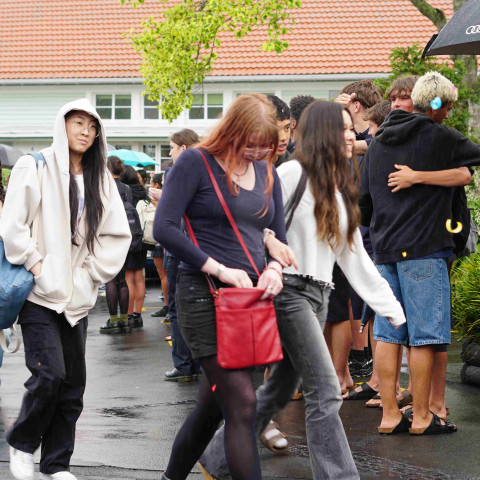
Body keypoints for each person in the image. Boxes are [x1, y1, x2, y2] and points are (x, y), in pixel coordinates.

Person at [199, 100, 406, 480]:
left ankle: (215, 457)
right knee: (326, 390)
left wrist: (390, 305)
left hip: (319, 295)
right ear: (323, 132)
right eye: (343, 128)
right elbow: (254, 224)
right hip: (288, 291)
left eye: (352, 127)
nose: (351, 134)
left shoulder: (338, 185)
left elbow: (353, 255)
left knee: (278, 390)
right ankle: (339, 476)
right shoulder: (292, 172)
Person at [154, 93, 286, 480]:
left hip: (250, 303)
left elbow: (277, 233)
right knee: (244, 406)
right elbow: (164, 227)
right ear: (231, 131)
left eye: (266, 147)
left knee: (212, 409)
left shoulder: (266, 170)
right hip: (203, 295)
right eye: (250, 145)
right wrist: (219, 268)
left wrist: (275, 268)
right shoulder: (196, 162)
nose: (257, 154)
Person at [0, 98, 131, 480]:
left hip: (77, 297)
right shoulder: (34, 165)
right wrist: (37, 264)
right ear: (63, 125)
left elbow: (115, 235)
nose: (85, 131)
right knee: (49, 375)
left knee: (73, 387)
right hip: (39, 294)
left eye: (92, 126)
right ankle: (22, 443)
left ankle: (56, 464)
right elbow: (12, 225)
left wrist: (90, 274)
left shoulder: (100, 177)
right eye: (78, 123)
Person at [360, 71, 480, 435]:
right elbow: (473, 163)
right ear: (438, 104)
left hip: (384, 249)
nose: (449, 112)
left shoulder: (378, 142)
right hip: (426, 248)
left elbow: (363, 203)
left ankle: (390, 414)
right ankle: (425, 417)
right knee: (427, 334)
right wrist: (428, 177)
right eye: (448, 105)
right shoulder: (437, 135)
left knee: (388, 332)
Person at [162, 129, 202, 382]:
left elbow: (171, 213)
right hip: (200, 247)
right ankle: (198, 362)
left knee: (176, 308)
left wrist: (160, 199)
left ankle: (183, 364)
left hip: (177, 245)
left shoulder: (175, 172)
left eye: (172, 148)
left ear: (184, 148)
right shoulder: (209, 169)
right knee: (198, 306)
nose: (170, 153)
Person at [99, 156, 132, 333]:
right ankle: (125, 319)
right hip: (125, 237)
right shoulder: (126, 189)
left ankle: (112, 319)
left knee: (110, 279)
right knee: (122, 279)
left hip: (108, 236)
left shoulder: (104, 187)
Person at [121, 165, 148, 327]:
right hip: (142, 239)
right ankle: (138, 314)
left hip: (128, 240)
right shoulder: (143, 192)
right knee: (139, 277)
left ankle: (129, 314)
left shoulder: (125, 192)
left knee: (128, 278)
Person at [149, 173, 169, 319]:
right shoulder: (171, 198)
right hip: (167, 241)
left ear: (156, 185)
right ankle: (169, 306)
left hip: (159, 242)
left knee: (164, 276)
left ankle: (168, 306)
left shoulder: (155, 200)